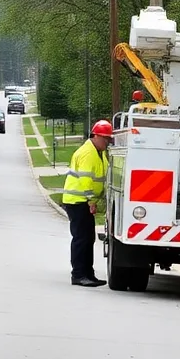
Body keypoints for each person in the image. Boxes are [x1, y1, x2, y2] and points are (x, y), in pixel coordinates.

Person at [62, 120, 113, 287]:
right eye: (105, 138)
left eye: (108, 139)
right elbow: (85, 181)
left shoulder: (98, 152)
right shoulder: (88, 153)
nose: (107, 142)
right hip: (79, 201)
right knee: (81, 238)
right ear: (95, 136)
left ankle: (88, 273)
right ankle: (78, 274)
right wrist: (91, 200)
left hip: (83, 201)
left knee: (88, 238)